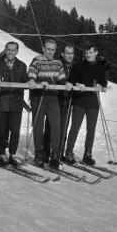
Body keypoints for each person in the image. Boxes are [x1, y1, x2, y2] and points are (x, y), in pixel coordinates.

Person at [28, 39, 72, 168]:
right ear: (43, 48)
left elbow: (62, 78)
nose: (50, 52)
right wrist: (38, 81)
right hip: (39, 98)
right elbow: (31, 75)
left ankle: (54, 156)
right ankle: (38, 154)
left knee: (56, 127)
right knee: (38, 126)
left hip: (53, 99)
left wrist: (66, 83)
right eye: (48, 49)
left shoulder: (58, 63)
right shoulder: (36, 61)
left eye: (52, 49)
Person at [0, 41, 30, 167]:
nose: (11, 52)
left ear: (17, 51)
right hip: (1, 102)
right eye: (9, 50)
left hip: (16, 103)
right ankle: (1, 155)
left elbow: (25, 79)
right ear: (5, 50)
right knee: (0, 131)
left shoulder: (21, 65)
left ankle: (12, 155)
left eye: (13, 50)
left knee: (15, 131)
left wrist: (31, 80)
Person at [64, 41, 107, 166]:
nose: (88, 55)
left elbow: (104, 81)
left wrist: (101, 85)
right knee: (75, 128)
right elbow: (71, 80)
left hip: (93, 102)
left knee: (91, 129)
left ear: (96, 53)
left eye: (91, 53)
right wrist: (77, 84)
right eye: (86, 53)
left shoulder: (100, 66)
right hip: (79, 101)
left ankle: (87, 154)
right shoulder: (78, 66)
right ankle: (69, 152)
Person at [43, 45, 77, 160]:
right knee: (50, 127)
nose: (70, 56)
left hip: (67, 100)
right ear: (62, 54)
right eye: (67, 53)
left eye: (72, 53)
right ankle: (45, 152)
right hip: (55, 99)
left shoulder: (75, 66)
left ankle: (58, 153)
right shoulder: (57, 64)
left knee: (63, 128)